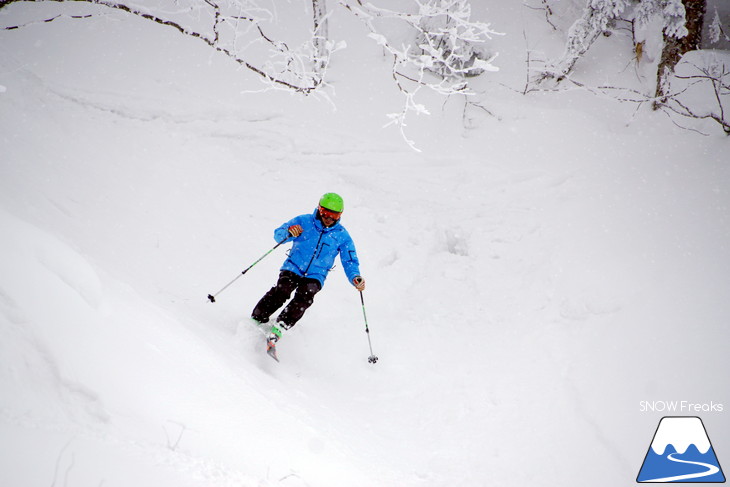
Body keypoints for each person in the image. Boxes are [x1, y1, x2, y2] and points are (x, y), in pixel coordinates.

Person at [251, 192, 365, 356]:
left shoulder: (342, 235)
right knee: (283, 289)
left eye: (334, 215)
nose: (328, 218)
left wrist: (355, 277)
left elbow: (350, 261)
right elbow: (279, 233)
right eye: (326, 213)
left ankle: (280, 327)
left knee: (305, 296)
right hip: (294, 266)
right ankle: (257, 318)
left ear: (340, 216)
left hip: (315, 275)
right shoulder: (304, 221)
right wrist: (289, 232)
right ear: (319, 209)